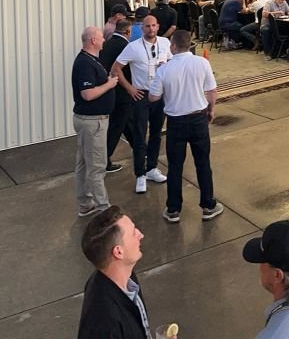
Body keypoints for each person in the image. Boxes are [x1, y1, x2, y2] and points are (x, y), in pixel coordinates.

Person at [158, 28, 225, 223]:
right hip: (198, 119)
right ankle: (208, 205)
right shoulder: (202, 62)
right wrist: (211, 110)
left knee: (175, 166)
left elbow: (153, 96)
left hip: (175, 122)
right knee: (203, 163)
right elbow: (212, 91)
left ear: (173, 46)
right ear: (190, 44)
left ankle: (173, 209)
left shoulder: (164, 69)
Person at [114, 12, 173, 193]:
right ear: (142, 28)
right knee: (140, 135)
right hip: (141, 96)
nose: (151, 29)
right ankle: (140, 174)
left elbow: (172, 62)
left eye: (153, 25)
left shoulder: (165, 43)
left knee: (156, 133)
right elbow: (116, 69)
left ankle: (152, 168)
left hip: (160, 95)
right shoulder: (133, 47)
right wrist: (129, 88)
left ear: (158, 26)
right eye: (147, 26)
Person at [77, 205, 151, 339]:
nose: (141, 235)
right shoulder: (105, 322)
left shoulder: (127, 278)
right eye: (133, 233)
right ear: (118, 252)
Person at [72, 24, 121, 216]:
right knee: (97, 167)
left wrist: (106, 80)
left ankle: (86, 203)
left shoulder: (91, 60)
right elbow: (87, 94)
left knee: (84, 163)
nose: (103, 40)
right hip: (93, 122)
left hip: (90, 121)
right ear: (93, 40)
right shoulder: (85, 63)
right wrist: (110, 84)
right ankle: (103, 209)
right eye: (101, 37)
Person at [98, 12, 135, 182]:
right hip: (121, 91)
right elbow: (126, 70)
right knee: (117, 126)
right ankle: (104, 159)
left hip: (110, 89)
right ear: (127, 31)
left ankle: (140, 147)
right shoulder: (125, 46)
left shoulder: (108, 43)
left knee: (126, 122)